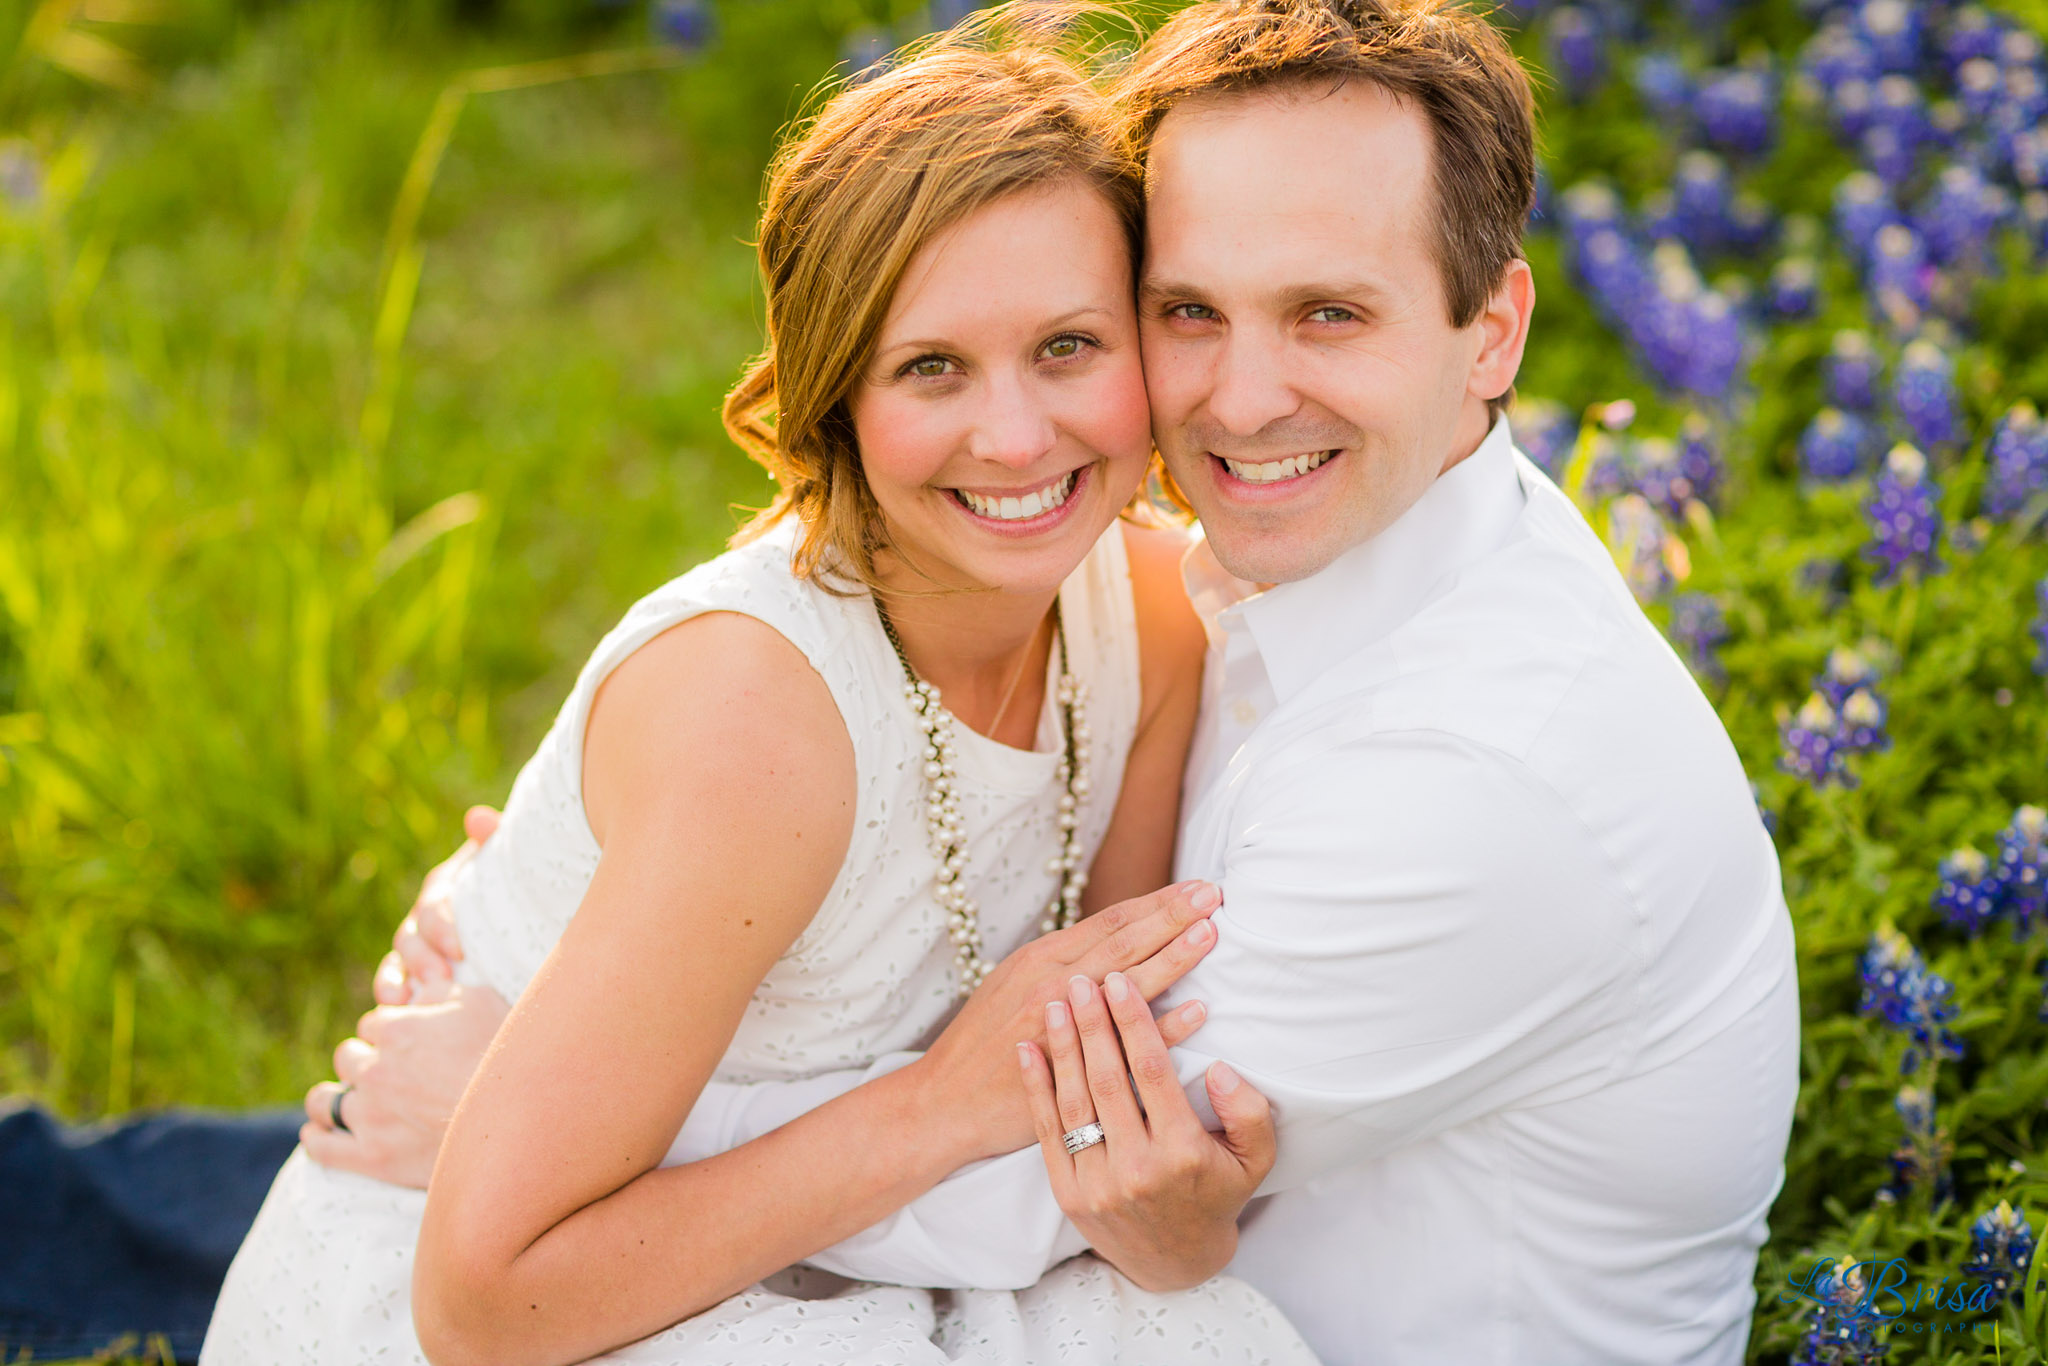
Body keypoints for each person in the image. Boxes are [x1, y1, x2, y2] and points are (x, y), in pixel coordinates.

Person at [354, 0, 1802, 1362]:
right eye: (1188, 312)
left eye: (1329, 315)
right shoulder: (1213, 578)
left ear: (1491, 328)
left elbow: (1040, 1153)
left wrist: (523, 1065)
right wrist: (563, 937)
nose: (1238, 401)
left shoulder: (1471, 781)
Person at [198, 19, 1322, 1366]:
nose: (1017, 435)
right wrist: (932, 1108)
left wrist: (1174, 1220)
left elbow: (1072, 1113)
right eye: (931, 367)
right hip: (529, 1281)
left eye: (1070, 345)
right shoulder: (765, 719)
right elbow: (484, 1303)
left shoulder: (1149, 620)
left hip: (861, 1228)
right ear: (834, 395)